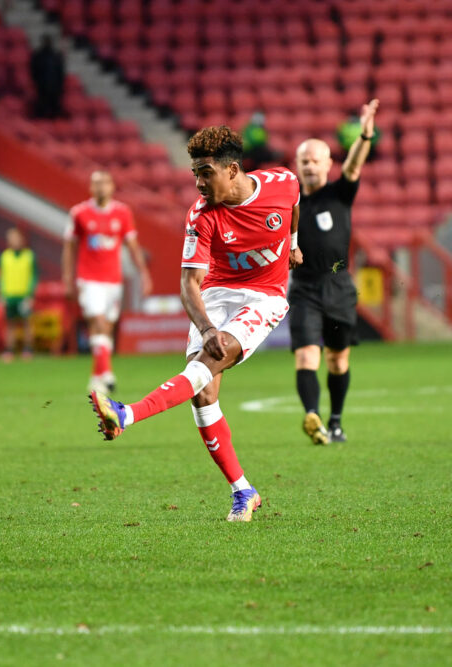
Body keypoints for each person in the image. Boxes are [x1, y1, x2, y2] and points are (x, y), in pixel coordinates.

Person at [89, 126, 302, 522]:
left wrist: (293, 241)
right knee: (203, 394)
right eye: (195, 174)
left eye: (206, 173)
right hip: (217, 293)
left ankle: (127, 414)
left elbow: (295, 200)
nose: (200, 183)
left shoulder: (282, 182)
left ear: (232, 170)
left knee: (205, 366)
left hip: (264, 296)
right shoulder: (201, 215)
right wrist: (207, 328)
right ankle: (244, 491)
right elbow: (189, 283)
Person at [291, 99, 379, 445]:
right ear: (297, 166)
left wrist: (365, 136)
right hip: (304, 289)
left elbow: (355, 164)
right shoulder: (289, 204)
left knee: (338, 360)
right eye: (304, 161)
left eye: (316, 160)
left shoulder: (339, 194)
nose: (310, 166)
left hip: (339, 287)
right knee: (306, 355)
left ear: (328, 164)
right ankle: (313, 417)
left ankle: (336, 420)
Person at [63, 170, 152, 394]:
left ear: (112, 187)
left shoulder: (123, 213)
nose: (100, 187)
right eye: (96, 183)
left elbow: (133, 246)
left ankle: (96, 377)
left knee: (105, 329)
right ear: (90, 188)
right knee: (100, 323)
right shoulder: (79, 213)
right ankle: (108, 374)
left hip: (113, 280)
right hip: (89, 279)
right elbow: (69, 247)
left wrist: (144, 274)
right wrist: (68, 278)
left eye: (104, 183)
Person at [0, 227, 38, 361]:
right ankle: (9, 349)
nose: (15, 241)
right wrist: (1, 294)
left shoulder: (29, 256)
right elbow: (1, 277)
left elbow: (34, 276)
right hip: (9, 295)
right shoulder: (4, 256)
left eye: (17, 238)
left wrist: (31, 294)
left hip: (24, 295)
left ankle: (28, 349)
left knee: (27, 323)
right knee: (10, 324)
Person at [30, 35, 65, 119]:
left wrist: (59, 85)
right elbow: (34, 71)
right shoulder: (38, 56)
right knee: (42, 108)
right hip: (42, 87)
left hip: (54, 87)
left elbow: (60, 72)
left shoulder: (56, 56)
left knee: (54, 109)